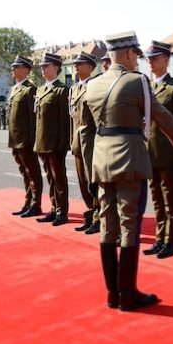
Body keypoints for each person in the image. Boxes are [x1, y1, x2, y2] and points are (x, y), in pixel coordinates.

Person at [79, 31, 173, 311]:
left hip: (101, 159)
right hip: (129, 157)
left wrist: (89, 167)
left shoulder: (92, 85)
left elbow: (86, 131)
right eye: (137, 56)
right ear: (130, 53)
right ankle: (127, 293)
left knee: (107, 224)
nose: (139, 61)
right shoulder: (137, 81)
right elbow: (161, 115)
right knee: (129, 224)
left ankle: (112, 294)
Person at [142, 40, 173, 258]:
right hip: (150, 155)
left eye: (155, 58)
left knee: (170, 201)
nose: (151, 62)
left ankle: (171, 241)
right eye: (149, 59)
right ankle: (160, 238)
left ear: (166, 59)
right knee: (157, 201)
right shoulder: (146, 88)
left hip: (169, 156)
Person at [34, 52, 70, 226]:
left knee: (59, 179)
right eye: (41, 66)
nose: (42, 68)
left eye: (46, 66)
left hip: (56, 144)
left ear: (56, 68)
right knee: (50, 177)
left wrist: (63, 144)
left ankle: (62, 212)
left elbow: (65, 121)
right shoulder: (41, 90)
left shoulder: (62, 90)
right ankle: (54, 208)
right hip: (42, 142)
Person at [7, 55, 43, 218]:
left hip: (26, 140)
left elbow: (33, 118)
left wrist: (32, 140)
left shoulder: (30, 89)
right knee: (24, 172)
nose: (12, 70)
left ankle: (36, 205)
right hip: (15, 139)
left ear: (26, 70)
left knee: (32, 173)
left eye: (16, 67)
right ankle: (28, 202)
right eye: (13, 67)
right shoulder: (15, 89)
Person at [69, 52, 100, 234]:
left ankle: (98, 218)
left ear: (90, 66)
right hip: (78, 143)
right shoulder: (74, 89)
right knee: (82, 181)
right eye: (75, 64)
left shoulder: (96, 87)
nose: (76, 66)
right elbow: (72, 117)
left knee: (93, 182)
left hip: (93, 143)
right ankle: (90, 216)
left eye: (80, 64)